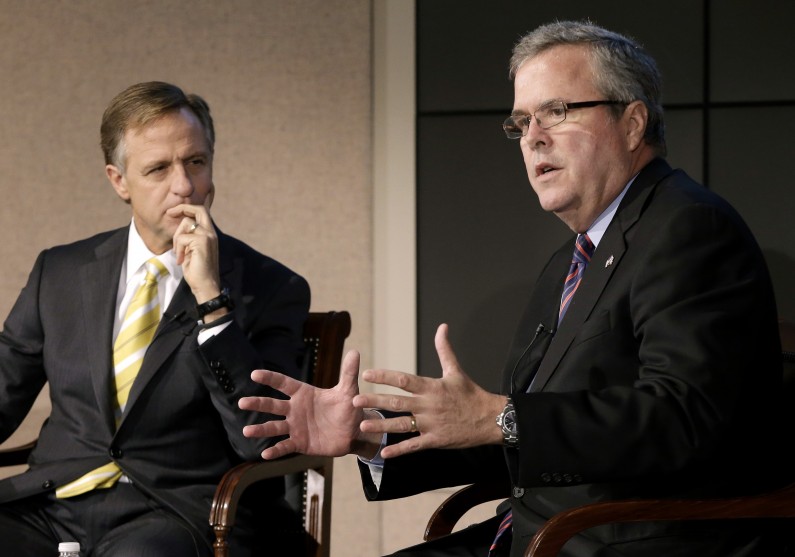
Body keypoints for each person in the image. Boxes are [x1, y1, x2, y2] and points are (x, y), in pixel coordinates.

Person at [240, 20, 789, 557]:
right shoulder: (568, 262)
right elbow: (517, 438)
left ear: (632, 122)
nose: (533, 138)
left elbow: (681, 420)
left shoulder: (689, 229)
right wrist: (373, 436)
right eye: (521, 122)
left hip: (625, 538)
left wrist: (500, 417)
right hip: (537, 536)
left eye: (557, 111)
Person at [0, 81, 311, 556]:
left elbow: (259, 438)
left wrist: (211, 298)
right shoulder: (59, 273)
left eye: (196, 162)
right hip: (52, 503)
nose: (183, 185)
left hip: (178, 511)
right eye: (158, 169)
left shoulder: (271, 288)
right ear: (119, 180)